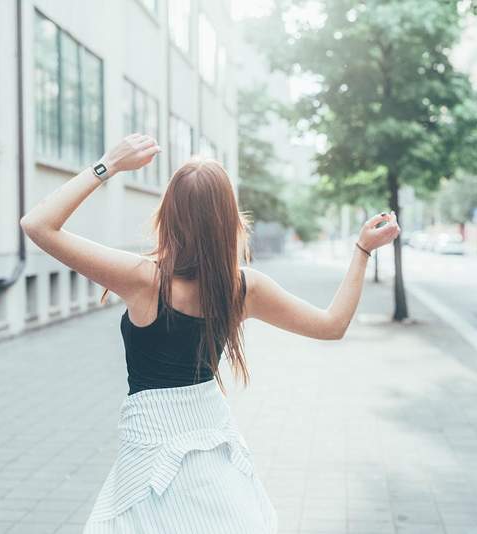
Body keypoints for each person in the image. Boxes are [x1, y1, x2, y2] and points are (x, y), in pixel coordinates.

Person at [20, 134, 400, 533]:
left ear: (169, 214)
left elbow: (38, 224)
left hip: (150, 445)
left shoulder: (144, 279)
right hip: (209, 438)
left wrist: (108, 165)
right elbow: (332, 324)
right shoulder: (242, 288)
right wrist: (361, 250)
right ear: (229, 219)